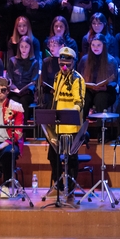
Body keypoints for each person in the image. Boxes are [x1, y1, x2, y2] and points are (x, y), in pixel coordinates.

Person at [46, 47, 85, 193]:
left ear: (73, 63)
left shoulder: (77, 79)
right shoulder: (57, 76)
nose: (64, 67)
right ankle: (59, 184)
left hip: (71, 125)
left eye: (67, 65)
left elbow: (80, 102)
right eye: (62, 64)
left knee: (71, 157)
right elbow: (55, 98)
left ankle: (70, 187)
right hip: (57, 125)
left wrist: (70, 112)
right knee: (52, 155)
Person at [76, 33, 118, 118]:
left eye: (99, 45)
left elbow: (114, 81)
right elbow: (78, 78)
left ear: (104, 46)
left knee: (100, 98)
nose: (96, 47)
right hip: (88, 90)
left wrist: (106, 87)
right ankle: (81, 124)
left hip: (106, 91)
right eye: (93, 45)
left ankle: (100, 125)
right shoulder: (84, 60)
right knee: (84, 98)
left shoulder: (111, 61)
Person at [6, 35, 39, 121]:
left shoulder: (34, 62)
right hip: (14, 92)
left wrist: (25, 90)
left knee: (24, 101)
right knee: (14, 101)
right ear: (19, 47)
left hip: (27, 93)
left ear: (30, 48)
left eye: (26, 47)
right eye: (22, 46)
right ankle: (13, 127)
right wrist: (14, 88)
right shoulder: (12, 60)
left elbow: (33, 81)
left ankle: (23, 126)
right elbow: (9, 79)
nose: (24, 49)